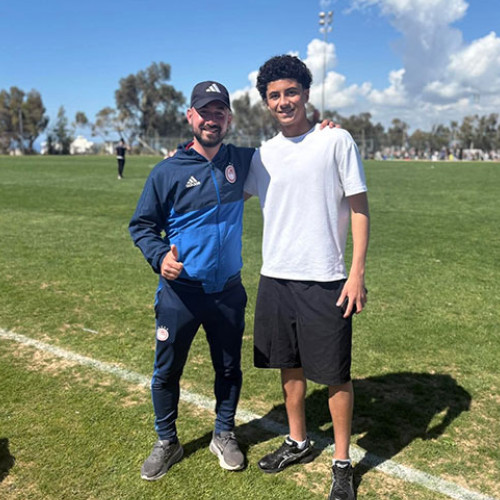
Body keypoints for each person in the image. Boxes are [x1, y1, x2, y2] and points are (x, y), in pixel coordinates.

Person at [244, 55, 370, 500]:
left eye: (291, 92)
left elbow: (359, 209)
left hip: (326, 280)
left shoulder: (336, 140)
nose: (283, 102)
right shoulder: (262, 156)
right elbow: (225, 189)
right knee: (289, 364)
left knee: (335, 374)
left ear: (306, 94)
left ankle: (342, 463)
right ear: (266, 102)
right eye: (274, 95)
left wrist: (356, 273)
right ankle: (297, 442)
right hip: (276, 278)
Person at [129, 81, 255, 480]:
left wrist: (321, 129)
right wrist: (159, 257)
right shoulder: (167, 171)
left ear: (229, 119)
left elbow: (291, 149)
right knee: (166, 371)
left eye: (219, 112)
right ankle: (167, 440)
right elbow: (142, 225)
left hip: (227, 292)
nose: (211, 120)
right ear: (190, 116)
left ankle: (224, 433)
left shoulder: (244, 160)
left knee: (229, 368)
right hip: (180, 295)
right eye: (204, 112)